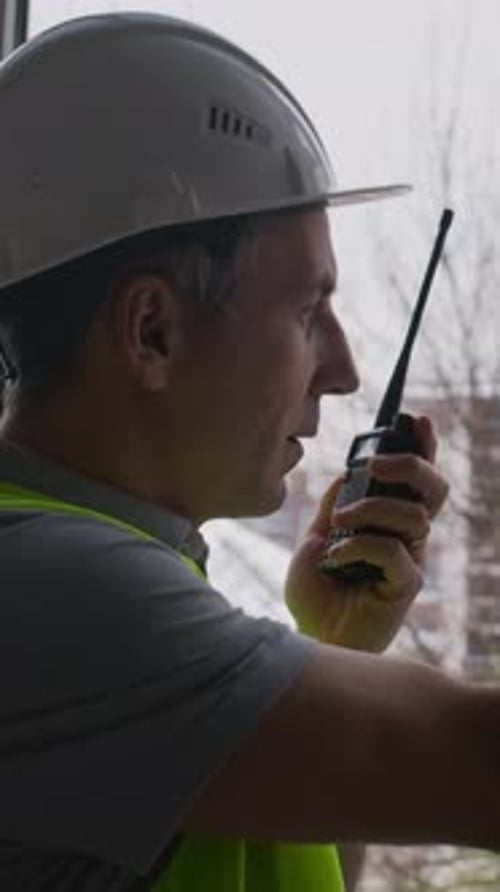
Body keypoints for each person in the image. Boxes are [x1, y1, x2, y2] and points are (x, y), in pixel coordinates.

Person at [0, 12, 495, 892]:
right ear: (150, 330)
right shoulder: (50, 589)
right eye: (309, 313)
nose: (341, 371)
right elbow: (476, 767)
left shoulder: (105, 574)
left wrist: (337, 647)